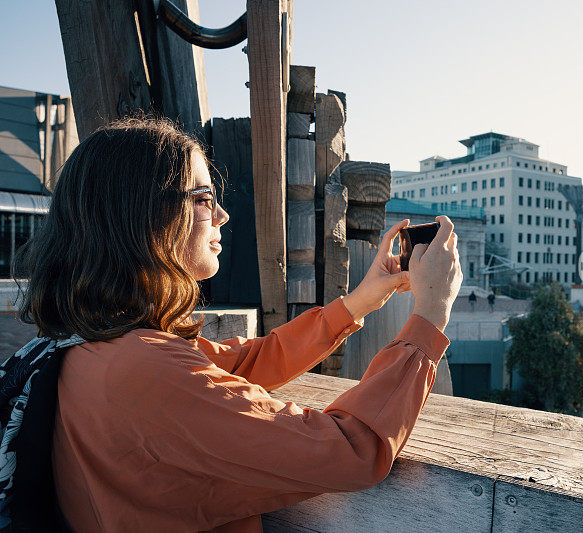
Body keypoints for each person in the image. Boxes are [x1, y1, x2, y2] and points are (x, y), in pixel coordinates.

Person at [10, 118, 462, 532]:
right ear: (143, 215)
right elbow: (351, 449)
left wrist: (362, 300)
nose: (223, 215)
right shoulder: (145, 370)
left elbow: (241, 365)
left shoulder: (91, 344)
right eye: (204, 199)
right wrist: (430, 316)